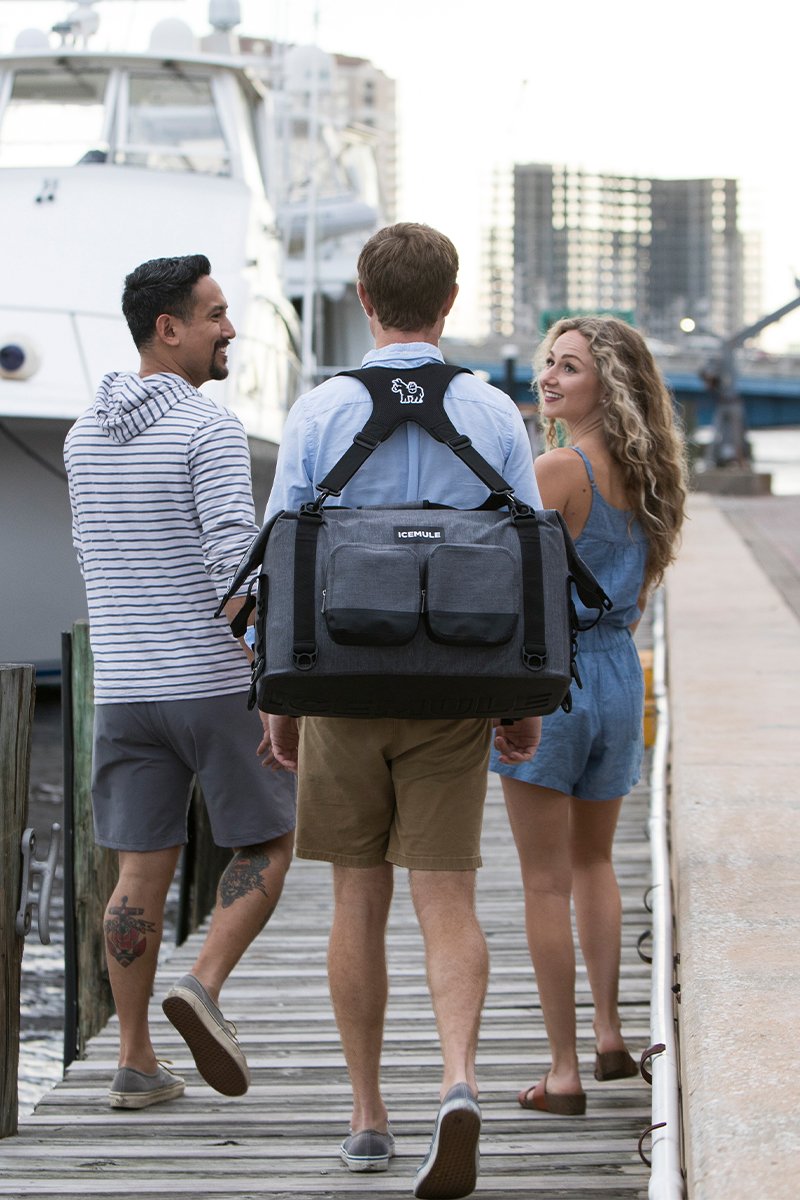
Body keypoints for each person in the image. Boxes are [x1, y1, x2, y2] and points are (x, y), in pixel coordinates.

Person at [265, 223, 542, 1199]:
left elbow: (283, 552)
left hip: (342, 683)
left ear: (363, 298)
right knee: (447, 899)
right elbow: (521, 553)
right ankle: (459, 1080)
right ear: (451, 300)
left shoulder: (320, 409)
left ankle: (366, 1115)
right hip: (455, 687)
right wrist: (517, 700)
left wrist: (283, 702)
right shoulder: (492, 411)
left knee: (355, 899)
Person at [63, 254, 296, 1110]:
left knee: (137, 874)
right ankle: (202, 983)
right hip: (209, 680)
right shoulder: (207, 428)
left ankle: (133, 1063)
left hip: (122, 688)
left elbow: (91, 557)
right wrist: (271, 672)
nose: (230, 328)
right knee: (269, 842)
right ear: (169, 328)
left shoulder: (83, 434)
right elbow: (237, 561)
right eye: (215, 314)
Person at [489, 315, 687, 1115]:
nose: (548, 379)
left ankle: (564, 1071)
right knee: (593, 863)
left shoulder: (558, 470)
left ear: (606, 382)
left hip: (555, 679)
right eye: (548, 365)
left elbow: (502, 580)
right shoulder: (653, 476)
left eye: (568, 368)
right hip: (615, 673)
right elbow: (636, 596)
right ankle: (609, 1035)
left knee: (543, 882)